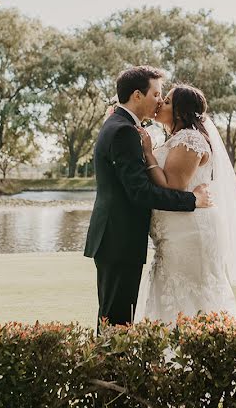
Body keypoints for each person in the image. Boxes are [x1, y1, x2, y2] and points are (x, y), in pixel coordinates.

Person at [83, 66, 213, 330]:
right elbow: (140, 192)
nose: (159, 101)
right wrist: (192, 201)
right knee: (116, 321)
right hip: (119, 239)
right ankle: (109, 372)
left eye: (163, 97)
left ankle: (109, 370)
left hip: (117, 238)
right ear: (137, 96)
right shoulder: (123, 130)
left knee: (114, 318)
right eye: (156, 94)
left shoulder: (122, 125)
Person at [134, 84, 236, 322]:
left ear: (181, 111)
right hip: (175, 232)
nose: (161, 103)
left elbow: (172, 185)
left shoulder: (190, 139)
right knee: (171, 293)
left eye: (167, 101)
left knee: (192, 294)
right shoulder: (175, 139)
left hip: (190, 231)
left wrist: (148, 153)